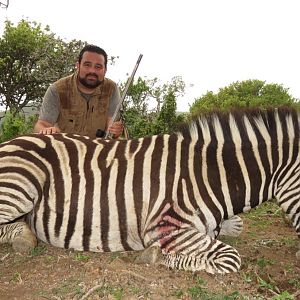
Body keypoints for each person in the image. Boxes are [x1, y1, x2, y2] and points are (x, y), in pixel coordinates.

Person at [34, 44, 123, 139]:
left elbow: (111, 128)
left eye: (98, 67)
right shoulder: (57, 89)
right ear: (78, 66)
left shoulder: (111, 89)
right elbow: (41, 124)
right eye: (87, 65)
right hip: (64, 149)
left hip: (97, 149)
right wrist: (46, 130)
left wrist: (116, 131)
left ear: (105, 70)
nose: (92, 71)